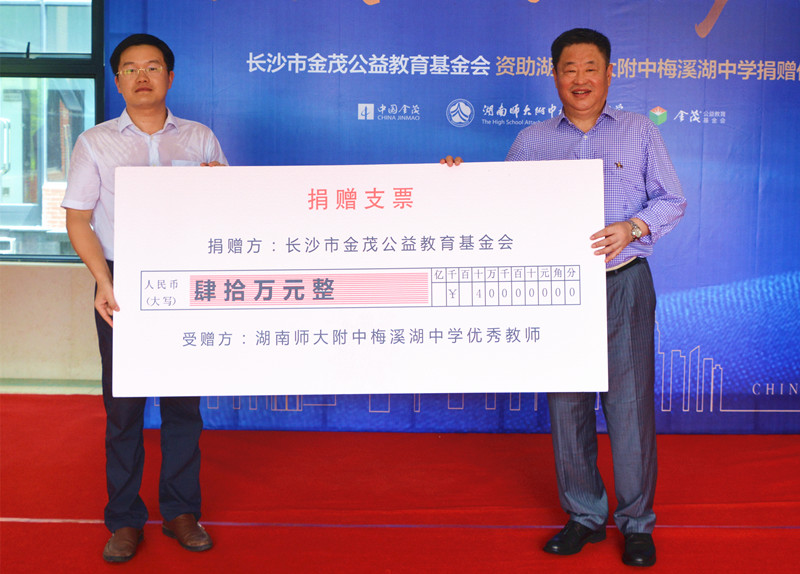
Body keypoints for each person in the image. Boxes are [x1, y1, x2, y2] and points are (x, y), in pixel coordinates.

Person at [445, 28, 686, 567]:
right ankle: (584, 516)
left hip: (623, 282)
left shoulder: (639, 132)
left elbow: (672, 199)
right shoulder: (533, 142)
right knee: (567, 404)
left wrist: (632, 226)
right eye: (569, 69)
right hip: (558, 289)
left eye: (590, 68)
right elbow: (497, 204)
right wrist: (454, 182)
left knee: (628, 408)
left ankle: (636, 524)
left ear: (609, 73)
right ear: (554, 76)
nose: (580, 79)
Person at [62, 33, 227, 563]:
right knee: (123, 408)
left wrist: (220, 188)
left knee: (183, 404)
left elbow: (231, 211)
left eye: (153, 67)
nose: (141, 76)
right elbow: (78, 219)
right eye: (130, 68)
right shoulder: (95, 142)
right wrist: (103, 281)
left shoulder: (200, 139)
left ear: (170, 78)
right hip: (121, 282)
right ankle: (125, 519)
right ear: (117, 82)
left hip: (187, 280)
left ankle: (181, 512)